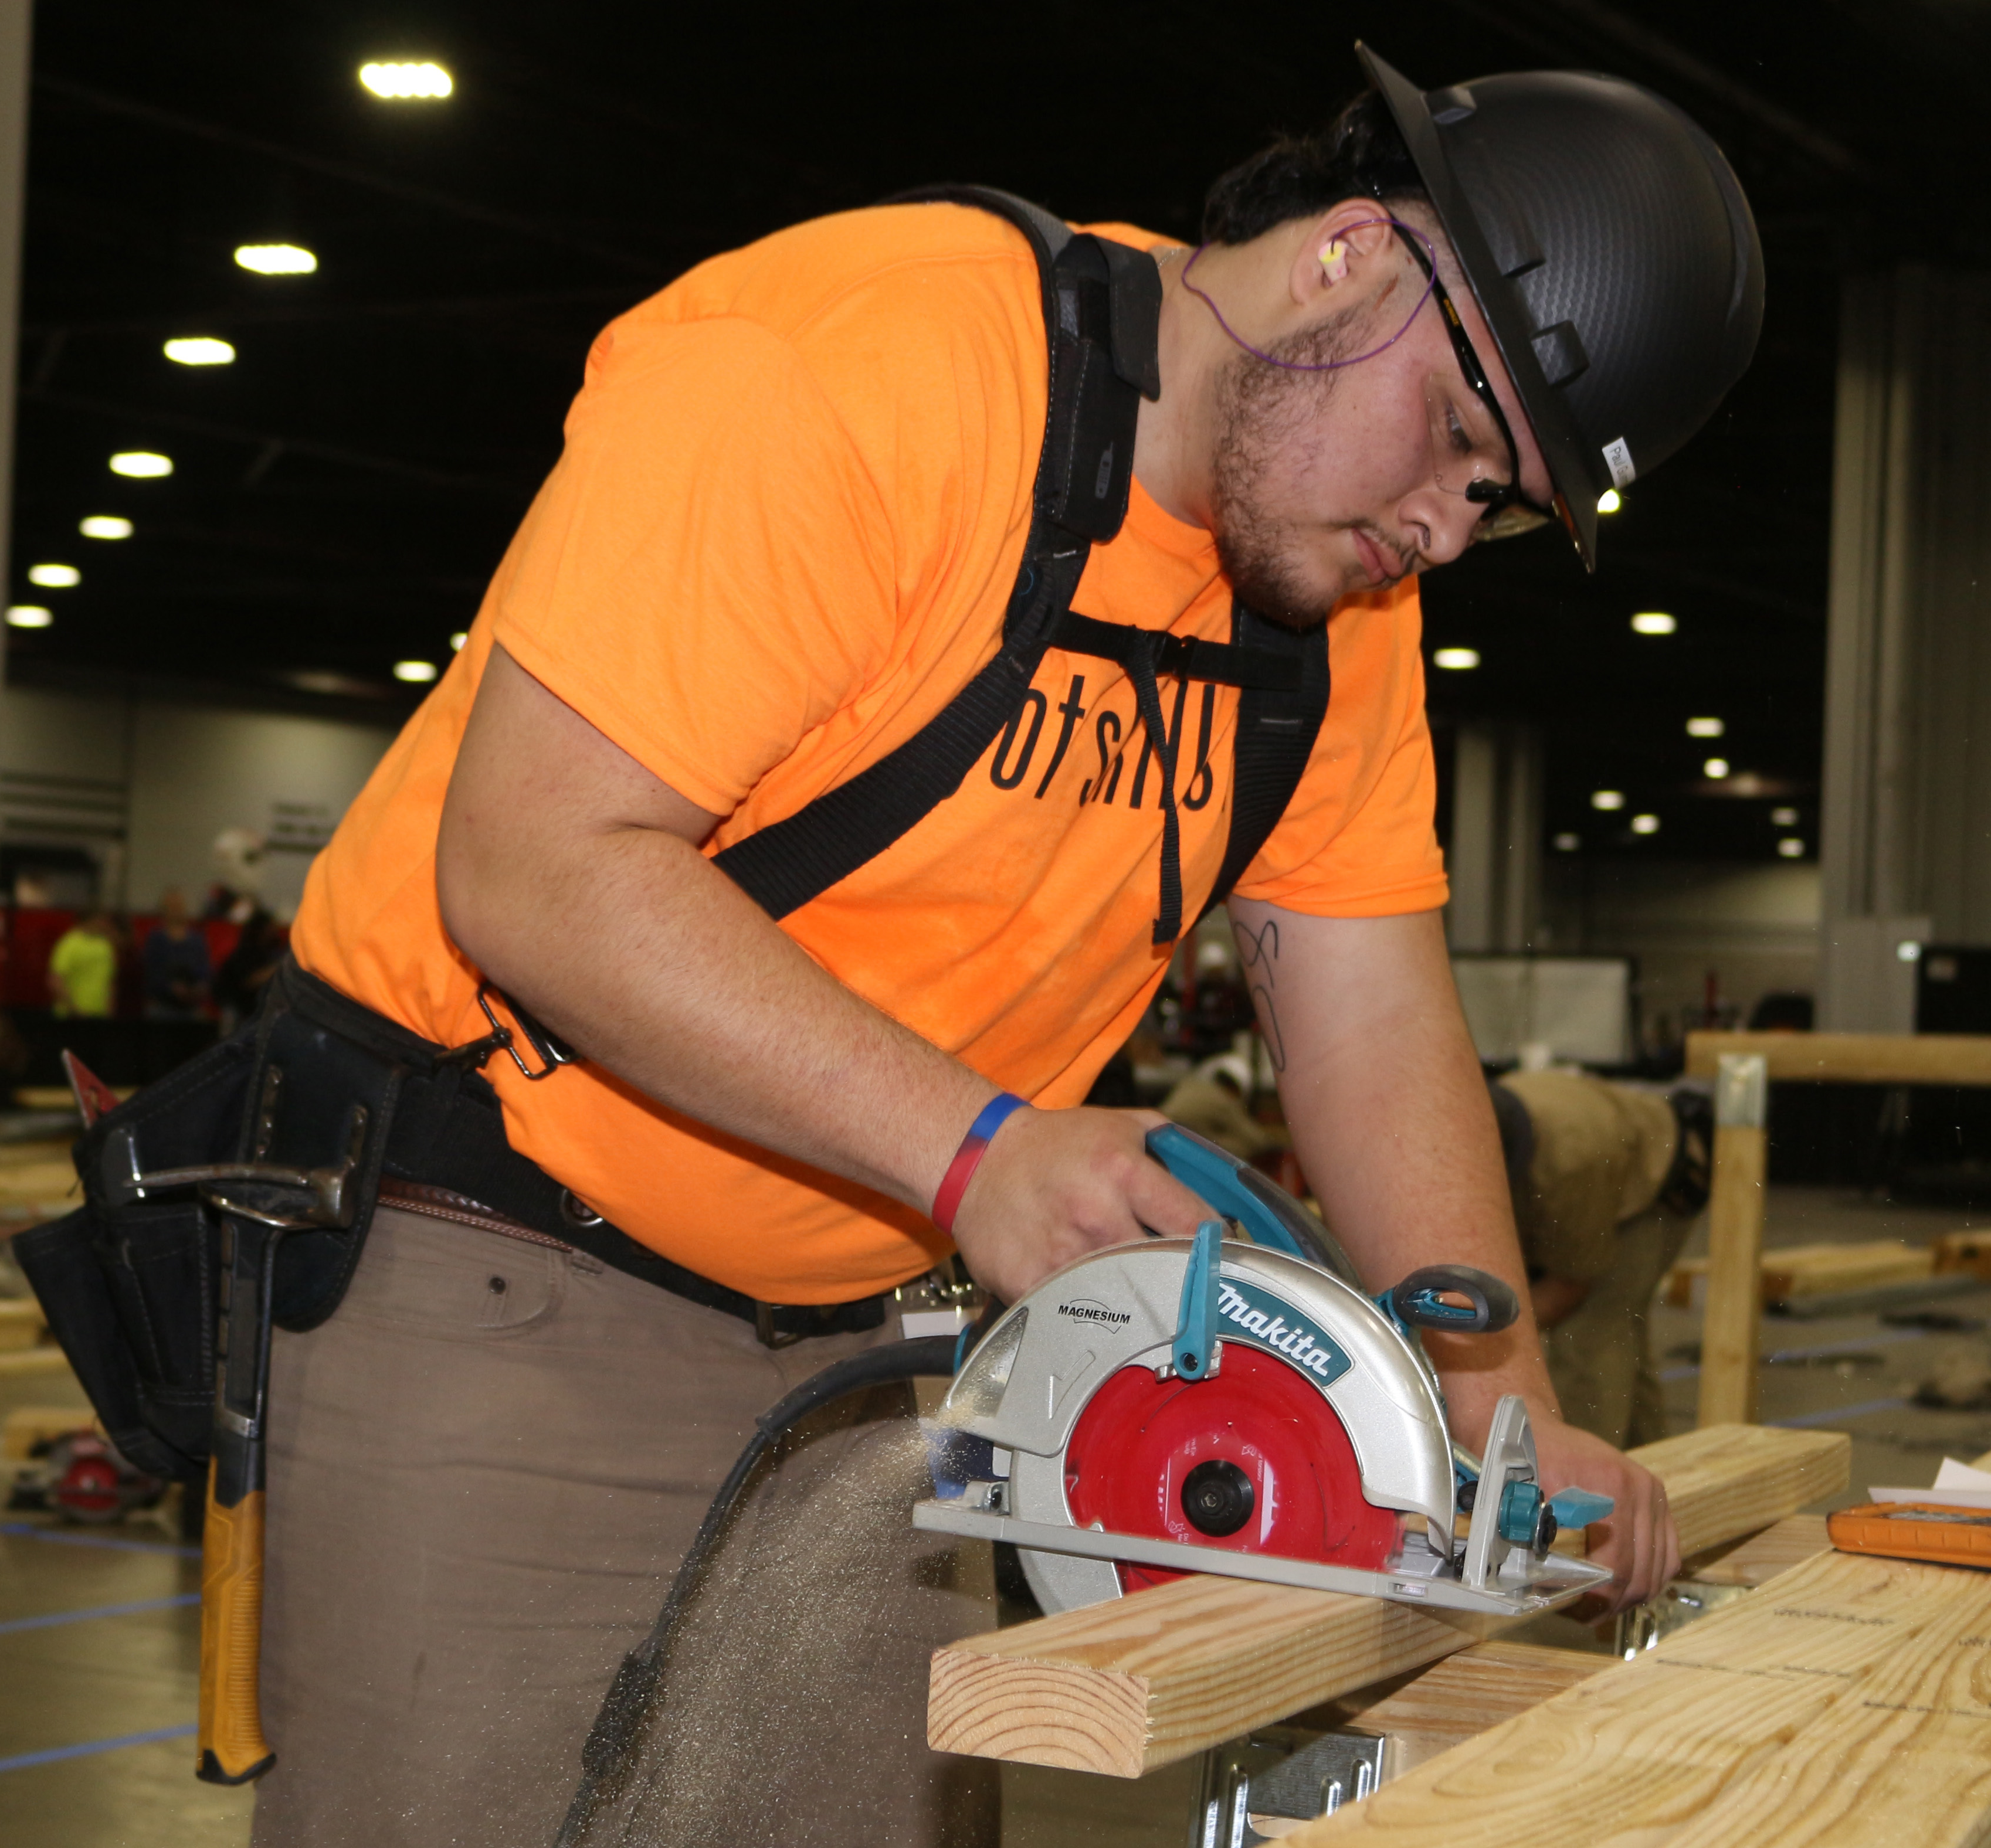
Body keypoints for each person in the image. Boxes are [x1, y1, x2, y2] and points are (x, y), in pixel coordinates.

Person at [248, 47, 1762, 1848]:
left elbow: (1368, 1006)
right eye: (1457, 437)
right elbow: (538, 864)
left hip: (880, 1342)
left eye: (1504, 506)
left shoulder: (1331, 599)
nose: (1445, 527)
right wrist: (975, 1148)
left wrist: (1504, 1407)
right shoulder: (859, 368)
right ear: (1351, 255)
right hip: (506, 1264)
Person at [1491, 1068, 1711, 1449]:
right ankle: (1657, 1474)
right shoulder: (1481, 1120)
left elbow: (1567, 1288)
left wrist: (1490, 1333)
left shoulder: (1569, 1165)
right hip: (1603, 1149)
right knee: (1624, 1346)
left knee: (1590, 1335)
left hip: (1656, 1185)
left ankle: (1587, 1491)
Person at [1161, 1051, 1284, 1162]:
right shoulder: (1222, 1099)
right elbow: (1257, 1142)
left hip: (1164, 1135)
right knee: (1241, 1146)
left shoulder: (1190, 1085)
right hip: (1183, 1143)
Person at [140, 886, 214, 1020]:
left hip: (192, 1007)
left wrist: (200, 986)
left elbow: (204, 968)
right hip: (162, 1007)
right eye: (172, 907)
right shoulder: (156, 940)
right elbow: (151, 972)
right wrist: (171, 988)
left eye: (179, 907)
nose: (177, 911)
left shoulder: (196, 940)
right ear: (163, 911)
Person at [46, 909, 119, 1020]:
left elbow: (110, 980)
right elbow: (56, 980)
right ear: (91, 921)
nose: (106, 925)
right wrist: (73, 1009)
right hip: (72, 1015)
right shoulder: (70, 944)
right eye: (103, 920)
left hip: (100, 1013)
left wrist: (110, 1007)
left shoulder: (105, 945)